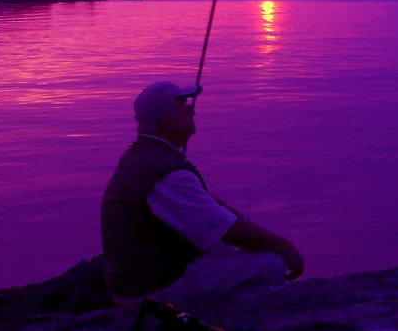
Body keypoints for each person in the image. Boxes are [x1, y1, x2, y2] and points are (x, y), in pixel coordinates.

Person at [101, 81, 304, 308]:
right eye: (182, 105)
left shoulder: (144, 156)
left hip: (141, 279)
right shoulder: (166, 173)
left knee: (232, 251)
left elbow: (207, 206)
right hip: (149, 291)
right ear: (165, 120)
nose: (192, 109)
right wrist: (284, 246)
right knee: (272, 263)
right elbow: (225, 230)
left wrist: (242, 222)